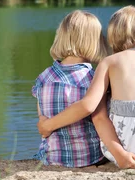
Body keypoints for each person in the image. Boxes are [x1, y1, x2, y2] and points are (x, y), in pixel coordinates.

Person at [38, 6, 135, 169]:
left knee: (105, 103)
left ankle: (121, 154)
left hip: (127, 147)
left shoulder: (109, 62)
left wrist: (120, 155)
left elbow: (96, 115)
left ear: (114, 35)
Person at [32, 10, 109, 167]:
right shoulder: (93, 79)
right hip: (90, 157)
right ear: (95, 42)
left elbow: (42, 116)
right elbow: (101, 120)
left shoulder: (44, 77)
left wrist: (45, 124)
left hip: (53, 158)